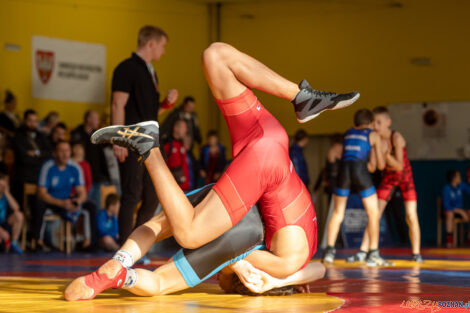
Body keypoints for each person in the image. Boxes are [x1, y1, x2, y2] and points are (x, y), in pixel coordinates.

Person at [65, 42, 359, 300]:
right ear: (250, 279)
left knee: (216, 56)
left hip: (268, 142)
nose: (218, 279)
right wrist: (266, 277)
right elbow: (232, 264)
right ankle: (149, 148)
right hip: (265, 163)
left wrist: (120, 265)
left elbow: (318, 268)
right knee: (190, 234)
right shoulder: (274, 259)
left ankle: (301, 96)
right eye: (223, 282)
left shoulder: (297, 256)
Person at [111, 25, 178, 243]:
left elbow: (149, 111)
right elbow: (117, 104)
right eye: (162, 46)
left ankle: (136, 244)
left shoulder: (151, 72)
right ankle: (123, 248)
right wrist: (118, 138)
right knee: (131, 194)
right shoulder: (126, 68)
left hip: (151, 141)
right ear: (151, 43)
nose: (164, 51)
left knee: (152, 195)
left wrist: (166, 104)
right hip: (131, 139)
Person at [350, 106, 423, 262]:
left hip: (405, 178)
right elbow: (376, 167)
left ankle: (416, 253)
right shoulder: (375, 138)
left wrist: (384, 153)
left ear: (388, 122)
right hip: (389, 178)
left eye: (379, 122)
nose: (375, 126)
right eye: (373, 123)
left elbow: (399, 166)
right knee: (374, 213)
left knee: (411, 216)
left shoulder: (396, 138)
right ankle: (363, 250)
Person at [323, 109, 389, 266]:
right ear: (372, 123)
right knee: (373, 214)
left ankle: (329, 253)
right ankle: (373, 253)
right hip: (360, 172)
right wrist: (383, 150)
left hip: (344, 173)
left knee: (338, 213)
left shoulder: (348, 133)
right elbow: (379, 166)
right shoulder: (373, 135)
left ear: (354, 123)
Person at [36, 141, 92, 249]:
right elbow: (41, 194)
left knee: (91, 207)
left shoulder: (75, 167)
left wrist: (77, 202)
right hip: (52, 201)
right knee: (39, 204)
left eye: (67, 150)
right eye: (61, 151)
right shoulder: (47, 167)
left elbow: (82, 192)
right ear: (54, 153)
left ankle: (88, 243)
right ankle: (38, 241)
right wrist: (61, 203)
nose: (65, 154)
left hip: (68, 201)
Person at [11, 109, 51, 210]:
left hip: (39, 177)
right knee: (21, 208)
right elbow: (23, 158)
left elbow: (50, 154)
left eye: (35, 121)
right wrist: (40, 158)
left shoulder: (41, 136)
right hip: (23, 178)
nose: (33, 124)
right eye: (30, 120)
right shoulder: (18, 136)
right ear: (24, 121)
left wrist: (37, 153)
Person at [70, 111, 110, 209]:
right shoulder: (77, 134)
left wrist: (106, 175)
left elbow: (102, 157)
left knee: (96, 207)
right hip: (81, 177)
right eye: (96, 119)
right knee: (79, 206)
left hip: (96, 177)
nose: (98, 121)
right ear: (88, 119)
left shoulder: (98, 135)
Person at [442, 170, 470, 247]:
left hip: (460, 211)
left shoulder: (461, 186)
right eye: (458, 176)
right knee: (449, 214)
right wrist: (459, 211)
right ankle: (449, 240)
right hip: (450, 212)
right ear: (453, 178)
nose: (460, 178)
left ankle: (469, 238)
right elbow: (446, 205)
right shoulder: (446, 189)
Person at [163, 119, 191, 192]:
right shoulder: (167, 145)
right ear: (176, 128)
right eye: (183, 127)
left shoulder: (182, 144)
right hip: (173, 190)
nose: (186, 130)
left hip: (186, 188)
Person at [0, 173, 23, 254]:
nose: (2, 187)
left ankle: (14, 242)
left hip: (4, 222)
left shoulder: (6, 196)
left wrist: (7, 193)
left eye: (4, 185)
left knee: (18, 215)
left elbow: (16, 208)